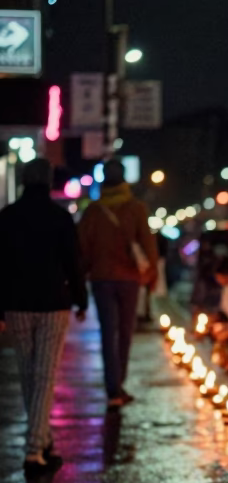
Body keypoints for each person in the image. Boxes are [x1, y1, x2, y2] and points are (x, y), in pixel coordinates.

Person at [0, 157, 88, 475]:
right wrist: (81, 300)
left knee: (29, 375)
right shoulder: (60, 218)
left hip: (17, 305)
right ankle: (34, 449)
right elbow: (73, 263)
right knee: (44, 376)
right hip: (53, 305)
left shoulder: (6, 217)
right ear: (49, 182)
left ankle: (44, 440)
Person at [78, 157, 157, 409]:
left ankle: (112, 388)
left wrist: (82, 276)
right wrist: (150, 275)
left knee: (107, 334)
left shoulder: (93, 210)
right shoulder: (136, 208)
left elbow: (82, 249)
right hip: (129, 279)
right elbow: (148, 244)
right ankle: (119, 384)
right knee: (124, 334)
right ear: (124, 179)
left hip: (101, 279)